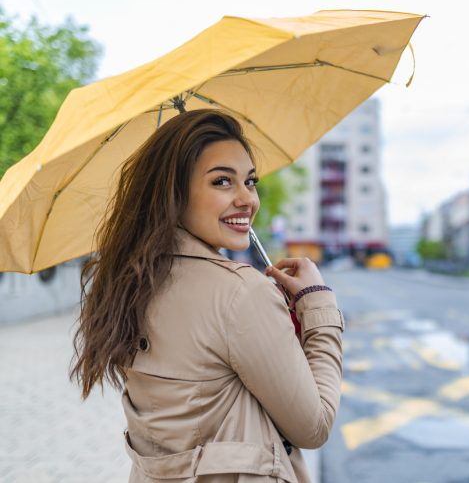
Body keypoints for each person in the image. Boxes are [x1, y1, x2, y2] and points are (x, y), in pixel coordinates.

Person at [70, 109, 344, 483]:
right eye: (222, 182)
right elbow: (314, 428)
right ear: (175, 193)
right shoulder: (241, 294)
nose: (247, 199)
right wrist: (317, 302)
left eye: (250, 181)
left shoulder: (128, 285)